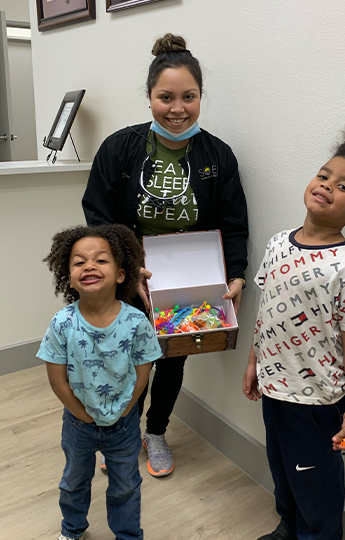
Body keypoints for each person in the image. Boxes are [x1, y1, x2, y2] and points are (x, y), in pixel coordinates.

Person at [82, 33, 248, 477]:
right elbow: (96, 213)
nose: (178, 108)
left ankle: (156, 432)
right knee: (124, 358)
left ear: (200, 97)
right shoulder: (121, 148)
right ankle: (123, 433)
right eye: (166, 97)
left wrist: (237, 276)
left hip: (188, 279)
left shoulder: (218, 156)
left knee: (172, 358)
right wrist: (125, 265)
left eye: (188, 97)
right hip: (130, 274)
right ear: (150, 97)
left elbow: (233, 224)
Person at [243, 124, 345, 540]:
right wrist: (254, 361)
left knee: (317, 487)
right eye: (323, 175)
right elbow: (265, 311)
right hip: (273, 390)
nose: (326, 186)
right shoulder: (277, 244)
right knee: (282, 469)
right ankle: (288, 527)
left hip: (317, 402)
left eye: (343, 186)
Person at [37, 224, 162, 540]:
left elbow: (144, 368)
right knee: (74, 481)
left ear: (122, 274)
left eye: (100, 260)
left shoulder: (136, 322)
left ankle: (128, 534)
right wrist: (78, 413)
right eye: (79, 262)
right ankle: (72, 528)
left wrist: (128, 409)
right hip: (78, 425)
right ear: (69, 276)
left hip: (124, 425)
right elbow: (56, 376)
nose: (89, 266)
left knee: (126, 485)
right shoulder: (63, 322)